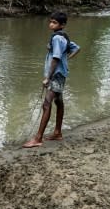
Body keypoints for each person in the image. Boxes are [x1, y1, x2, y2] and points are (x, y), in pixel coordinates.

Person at [22, 11, 80, 148]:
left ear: (62, 25)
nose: (51, 24)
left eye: (54, 22)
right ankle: (58, 132)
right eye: (51, 21)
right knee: (58, 101)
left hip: (56, 75)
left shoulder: (56, 38)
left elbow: (55, 58)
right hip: (61, 73)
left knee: (46, 103)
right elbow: (76, 48)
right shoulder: (63, 37)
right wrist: (67, 59)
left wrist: (47, 77)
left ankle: (38, 138)